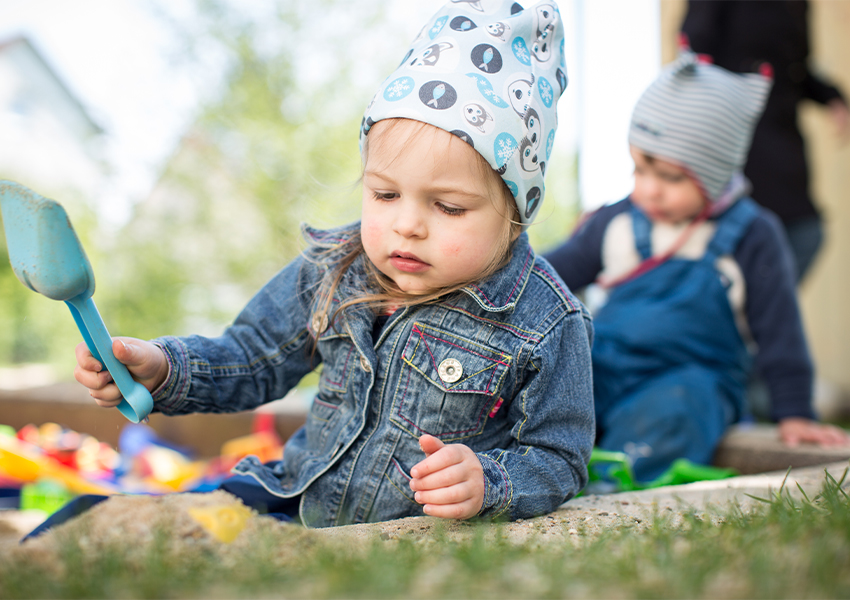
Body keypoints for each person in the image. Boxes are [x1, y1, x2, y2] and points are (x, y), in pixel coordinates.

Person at [61, 0, 594, 529]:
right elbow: (251, 358)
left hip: (414, 534)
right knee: (98, 523)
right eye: (385, 195)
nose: (407, 224)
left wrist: (490, 482)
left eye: (448, 206)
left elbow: (558, 458)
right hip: (294, 501)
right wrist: (162, 368)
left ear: (515, 213)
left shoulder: (545, 322)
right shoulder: (335, 267)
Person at [544, 51, 849, 484]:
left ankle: (614, 476)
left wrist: (795, 412)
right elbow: (548, 277)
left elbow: (780, 331)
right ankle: (543, 461)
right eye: (639, 168)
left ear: (716, 171)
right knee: (555, 379)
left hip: (691, 376)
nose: (649, 190)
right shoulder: (616, 222)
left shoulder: (752, 235)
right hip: (607, 364)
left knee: (682, 408)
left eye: (670, 177)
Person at [681, 0, 850, 283]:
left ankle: (756, 316)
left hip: (782, 138)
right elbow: (695, 53)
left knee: (805, 233)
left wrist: (832, 97)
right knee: (738, 239)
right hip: (734, 138)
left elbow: (796, 69)